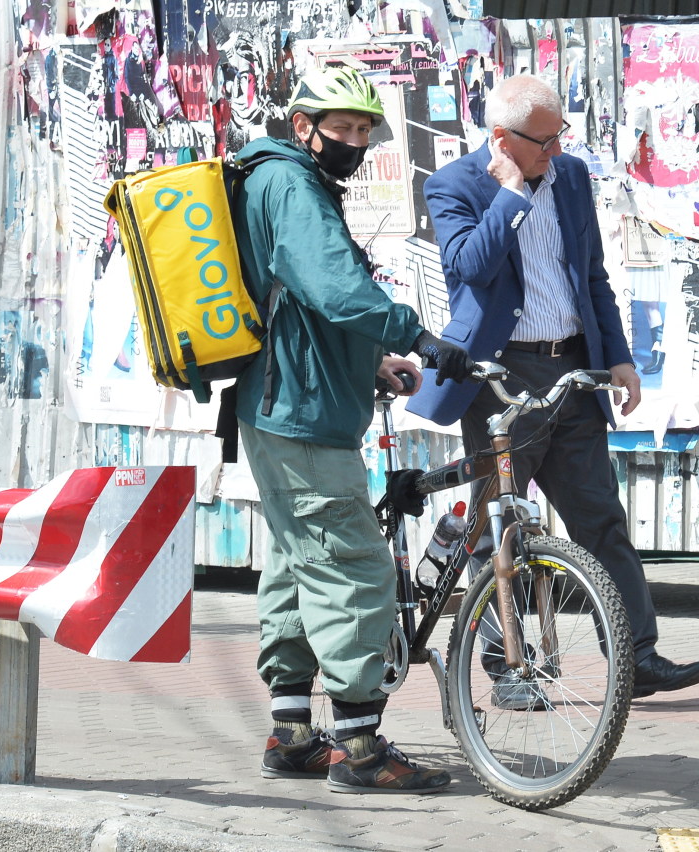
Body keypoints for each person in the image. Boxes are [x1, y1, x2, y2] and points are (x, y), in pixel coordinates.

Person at [408, 75, 699, 702]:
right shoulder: (454, 186)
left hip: (572, 370)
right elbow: (469, 267)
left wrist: (620, 359)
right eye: (544, 142)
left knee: (600, 519)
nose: (556, 151)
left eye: (558, 138)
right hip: (499, 378)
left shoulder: (571, 177)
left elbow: (591, 274)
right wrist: (512, 195)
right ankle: (506, 670)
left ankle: (638, 657)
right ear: (502, 138)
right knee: (501, 530)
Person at [229, 66, 471, 794]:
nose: (356, 141)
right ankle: (360, 748)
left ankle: (294, 732)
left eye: (366, 129)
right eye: (344, 126)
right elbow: (334, 287)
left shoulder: (279, 180)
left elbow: (299, 305)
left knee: (298, 562)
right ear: (303, 125)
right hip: (299, 411)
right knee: (351, 565)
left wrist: (370, 364)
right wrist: (419, 337)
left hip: (293, 399)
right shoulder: (293, 185)